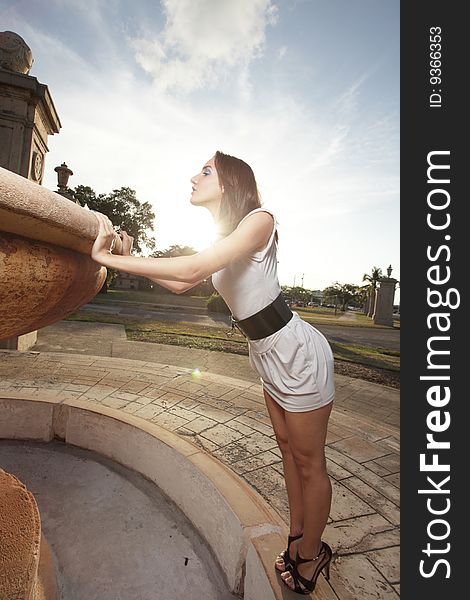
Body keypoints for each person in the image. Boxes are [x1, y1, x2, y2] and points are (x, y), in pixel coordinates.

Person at [91, 151, 334, 595]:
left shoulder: (260, 219)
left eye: (205, 171)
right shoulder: (229, 234)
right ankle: (299, 536)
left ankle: (312, 554)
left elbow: (192, 268)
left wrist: (109, 260)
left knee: (309, 461)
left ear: (230, 183)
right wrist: (132, 256)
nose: (193, 176)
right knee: (287, 450)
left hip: (297, 352)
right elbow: (184, 282)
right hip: (266, 350)